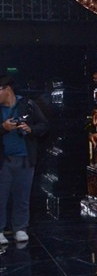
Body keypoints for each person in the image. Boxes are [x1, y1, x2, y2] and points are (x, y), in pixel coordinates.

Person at [0, 75, 49, 244]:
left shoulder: (27, 104)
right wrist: (3, 127)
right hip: (3, 161)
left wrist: (30, 129)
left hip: (25, 159)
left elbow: (44, 126)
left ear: (7, 89)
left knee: (22, 196)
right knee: (1, 196)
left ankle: (20, 228)